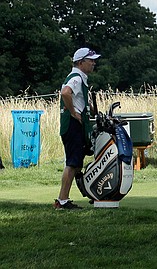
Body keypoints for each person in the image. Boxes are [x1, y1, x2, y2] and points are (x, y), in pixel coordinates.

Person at [54, 47, 101, 210]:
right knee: (73, 163)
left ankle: (82, 194)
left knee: (77, 164)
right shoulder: (76, 77)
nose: (93, 63)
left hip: (75, 126)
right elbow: (66, 93)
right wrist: (74, 113)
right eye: (91, 60)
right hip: (73, 126)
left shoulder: (80, 77)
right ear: (81, 62)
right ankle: (62, 200)